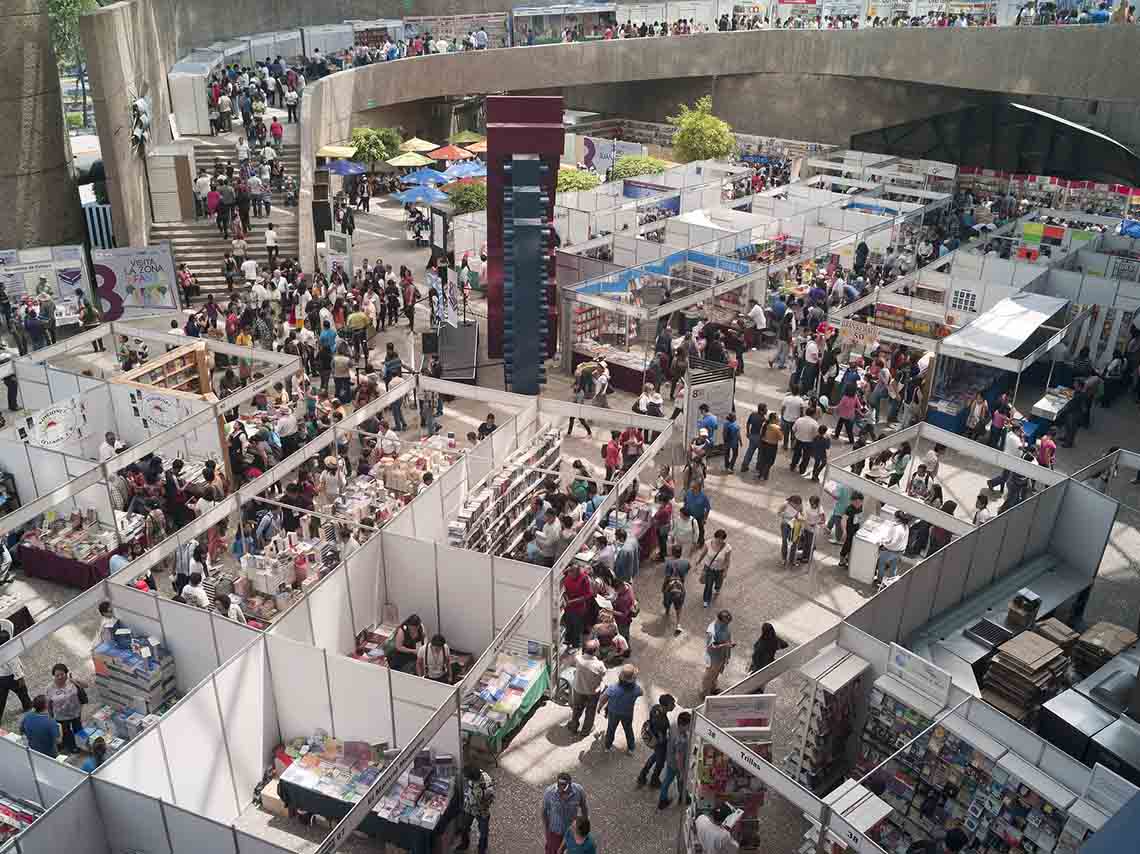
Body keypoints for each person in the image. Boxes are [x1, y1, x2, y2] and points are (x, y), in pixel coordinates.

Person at [598, 663, 642, 753]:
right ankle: (631, 748)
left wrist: (599, 707)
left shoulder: (612, 688)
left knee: (611, 729)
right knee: (628, 730)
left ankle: (608, 746)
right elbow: (641, 692)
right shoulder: (636, 689)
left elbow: (603, 699)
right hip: (627, 713)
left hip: (613, 713)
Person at [542, 773, 588, 854]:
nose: (562, 789)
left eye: (564, 786)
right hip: (555, 832)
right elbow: (544, 811)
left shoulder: (578, 791)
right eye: (560, 785)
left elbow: (584, 807)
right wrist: (547, 830)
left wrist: (585, 827)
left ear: (570, 784)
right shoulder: (549, 793)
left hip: (572, 832)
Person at [568, 639, 607, 734]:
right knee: (590, 711)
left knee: (577, 709)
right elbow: (603, 674)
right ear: (596, 651)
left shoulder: (578, 659)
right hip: (592, 692)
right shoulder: (599, 665)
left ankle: (574, 726)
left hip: (578, 689)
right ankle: (586, 730)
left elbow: (573, 661)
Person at [637, 693, 676, 787]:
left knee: (654, 757)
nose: (674, 706)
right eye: (672, 704)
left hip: (653, 738)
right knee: (660, 762)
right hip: (659, 743)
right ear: (665, 706)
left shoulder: (655, 708)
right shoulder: (662, 721)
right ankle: (654, 779)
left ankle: (642, 775)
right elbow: (662, 738)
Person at [455, 764, 495, 854]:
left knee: (483, 833)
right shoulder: (477, 772)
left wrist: (477, 808)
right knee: (465, 826)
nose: (465, 779)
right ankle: (465, 843)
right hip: (470, 805)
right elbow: (470, 789)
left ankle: (482, 849)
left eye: (466, 777)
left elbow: (487, 801)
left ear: (473, 778)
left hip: (482, 810)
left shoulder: (485, 788)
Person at [46, 663, 84, 754]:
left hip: (75, 712)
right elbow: (49, 703)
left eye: (62, 674)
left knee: (78, 728)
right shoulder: (50, 688)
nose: (60, 677)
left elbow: (86, 685)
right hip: (61, 716)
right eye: (57, 675)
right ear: (54, 676)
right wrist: (51, 715)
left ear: (66, 673)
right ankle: (72, 747)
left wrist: (75, 681)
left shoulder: (71, 681)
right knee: (66, 732)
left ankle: (84, 744)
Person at [658, 710, 691, 808]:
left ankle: (679, 796)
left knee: (668, 780)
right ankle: (681, 797)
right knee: (677, 780)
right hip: (676, 764)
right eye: (689, 725)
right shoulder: (681, 740)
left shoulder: (673, 725)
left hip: (669, 758)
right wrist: (681, 771)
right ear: (683, 725)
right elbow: (679, 758)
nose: (690, 727)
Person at [702, 609, 736, 698]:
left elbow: (728, 637)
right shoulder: (711, 631)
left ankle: (713, 688)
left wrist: (727, 655)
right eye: (726, 623)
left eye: (728, 623)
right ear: (720, 620)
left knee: (716, 674)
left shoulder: (724, 626)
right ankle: (705, 693)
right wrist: (726, 645)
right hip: (713, 658)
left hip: (722, 655)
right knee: (709, 676)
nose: (727, 624)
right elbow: (711, 646)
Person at [0, 628, 32, 718]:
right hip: (11, 677)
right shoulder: (9, 652)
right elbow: (15, 665)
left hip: (0, 677)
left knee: (1, 698)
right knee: (22, 691)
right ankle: (27, 705)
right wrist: (20, 678)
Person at [695, 528, 731, 607]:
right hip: (709, 568)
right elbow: (703, 553)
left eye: (721, 539)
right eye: (718, 538)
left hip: (720, 569)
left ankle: (717, 589)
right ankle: (706, 599)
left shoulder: (727, 548)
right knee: (708, 585)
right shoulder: (708, 543)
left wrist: (725, 571)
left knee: (718, 583)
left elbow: (727, 560)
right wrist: (698, 561)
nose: (719, 541)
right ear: (715, 537)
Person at [562, 562, 592, 649]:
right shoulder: (568, 574)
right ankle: (567, 645)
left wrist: (573, 601)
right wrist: (565, 597)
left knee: (576, 630)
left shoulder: (584, 578)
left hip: (578, 609)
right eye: (570, 573)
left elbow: (588, 595)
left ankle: (576, 648)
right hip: (568, 607)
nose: (571, 575)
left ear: (578, 573)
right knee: (568, 627)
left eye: (573, 573)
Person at [876, 511, 910, 582]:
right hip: (900, 551)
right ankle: (892, 582)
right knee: (893, 567)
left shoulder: (896, 528)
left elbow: (892, 541)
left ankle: (879, 580)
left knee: (881, 564)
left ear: (897, 518)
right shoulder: (906, 526)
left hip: (891, 551)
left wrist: (883, 543)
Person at [663, 544, 689, 635]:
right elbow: (687, 570)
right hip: (680, 588)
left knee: (667, 602)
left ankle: (667, 611)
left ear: (672, 553)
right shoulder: (686, 562)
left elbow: (667, 577)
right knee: (679, 607)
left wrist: (663, 587)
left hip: (670, 588)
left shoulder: (669, 563)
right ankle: (678, 624)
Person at [683, 482, 711, 547]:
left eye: (694, 488)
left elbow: (708, 508)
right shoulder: (689, 492)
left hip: (699, 517)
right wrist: (684, 510)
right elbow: (685, 501)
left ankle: (700, 542)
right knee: (690, 528)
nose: (692, 489)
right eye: (691, 487)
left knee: (700, 529)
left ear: (699, 488)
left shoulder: (703, 497)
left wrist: (705, 519)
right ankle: (691, 540)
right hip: (689, 515)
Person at [757, 412, 782, 481]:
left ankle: (760, 474)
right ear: (773, 419)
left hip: (763, 443)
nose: (778, 419)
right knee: (769, 461)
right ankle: (764, 475)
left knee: (763, 459)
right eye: (777, 418)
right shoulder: (776, 427)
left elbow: (761, 433)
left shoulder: (765, 424)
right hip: (772, 446)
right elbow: (780, 438)